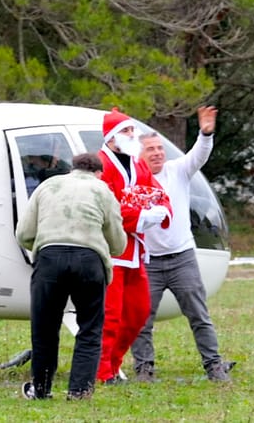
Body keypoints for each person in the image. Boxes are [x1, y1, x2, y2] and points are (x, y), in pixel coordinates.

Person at [131, 106, 236, 382]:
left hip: (181, 258)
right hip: (149, 261)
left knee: (199, 315)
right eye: (150, 149)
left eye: (159, 148)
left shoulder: (177, 170)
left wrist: (205, 133)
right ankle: (144, 369)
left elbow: (198, 156)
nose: (157, 153)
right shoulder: (133, 179)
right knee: (142, 320)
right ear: (138, 155)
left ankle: (214, 366)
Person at [15, 153, 127, 400]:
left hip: (49, 258)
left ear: (72, 168)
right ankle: (79, 391)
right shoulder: (102, 190)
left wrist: (45, 244)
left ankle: (41, 389)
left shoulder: (48, 185)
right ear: (98, 173)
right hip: (89, 261)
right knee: (89, 327)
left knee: (45, 328)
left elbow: (23, 233)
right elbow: (118, 242)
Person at [96, 107, 173, 384]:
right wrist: (140, 217)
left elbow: (156, 192)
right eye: (127, 131)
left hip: (136, 251)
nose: (133, 134)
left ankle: (113, 365)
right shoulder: (100, 165)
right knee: (111, 315)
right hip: (111, 251)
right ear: (112, 137)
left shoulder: (137, 162)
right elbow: (105, 209)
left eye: (132, 129)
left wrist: (162, 210)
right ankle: (103, 371)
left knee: (138, 312)